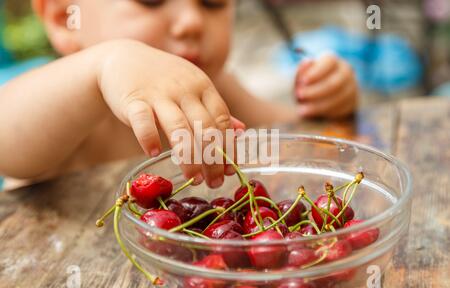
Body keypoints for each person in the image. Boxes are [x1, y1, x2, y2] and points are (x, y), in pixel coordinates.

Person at [0, 0, 358, 190]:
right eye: (151, 0)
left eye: (212, 3)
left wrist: (328, 100)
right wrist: (106, 63)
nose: (191, 21)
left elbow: (294, 136)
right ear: (66, 18)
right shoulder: (65, 99)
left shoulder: (215, 91)